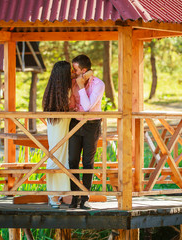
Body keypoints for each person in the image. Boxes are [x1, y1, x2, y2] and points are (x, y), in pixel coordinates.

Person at [68, 54, 105, 209]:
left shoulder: (99, 84)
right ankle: (74, 197)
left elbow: (88, 107)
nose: (73, 72)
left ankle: (85, 198)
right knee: (72, 161)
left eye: (75, 69)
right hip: (75, 123)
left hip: (92, 125)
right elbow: (71, 104)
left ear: (83, 70)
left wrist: (82, 86)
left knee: (87, 162)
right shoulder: (73, 82)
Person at [42, 61, 73, 208]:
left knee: (58, 154)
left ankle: (57, 194)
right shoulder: (65, 92)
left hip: (54, 124)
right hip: (60, 125)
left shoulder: (52, 90)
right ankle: (56, 194)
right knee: (59, 154)